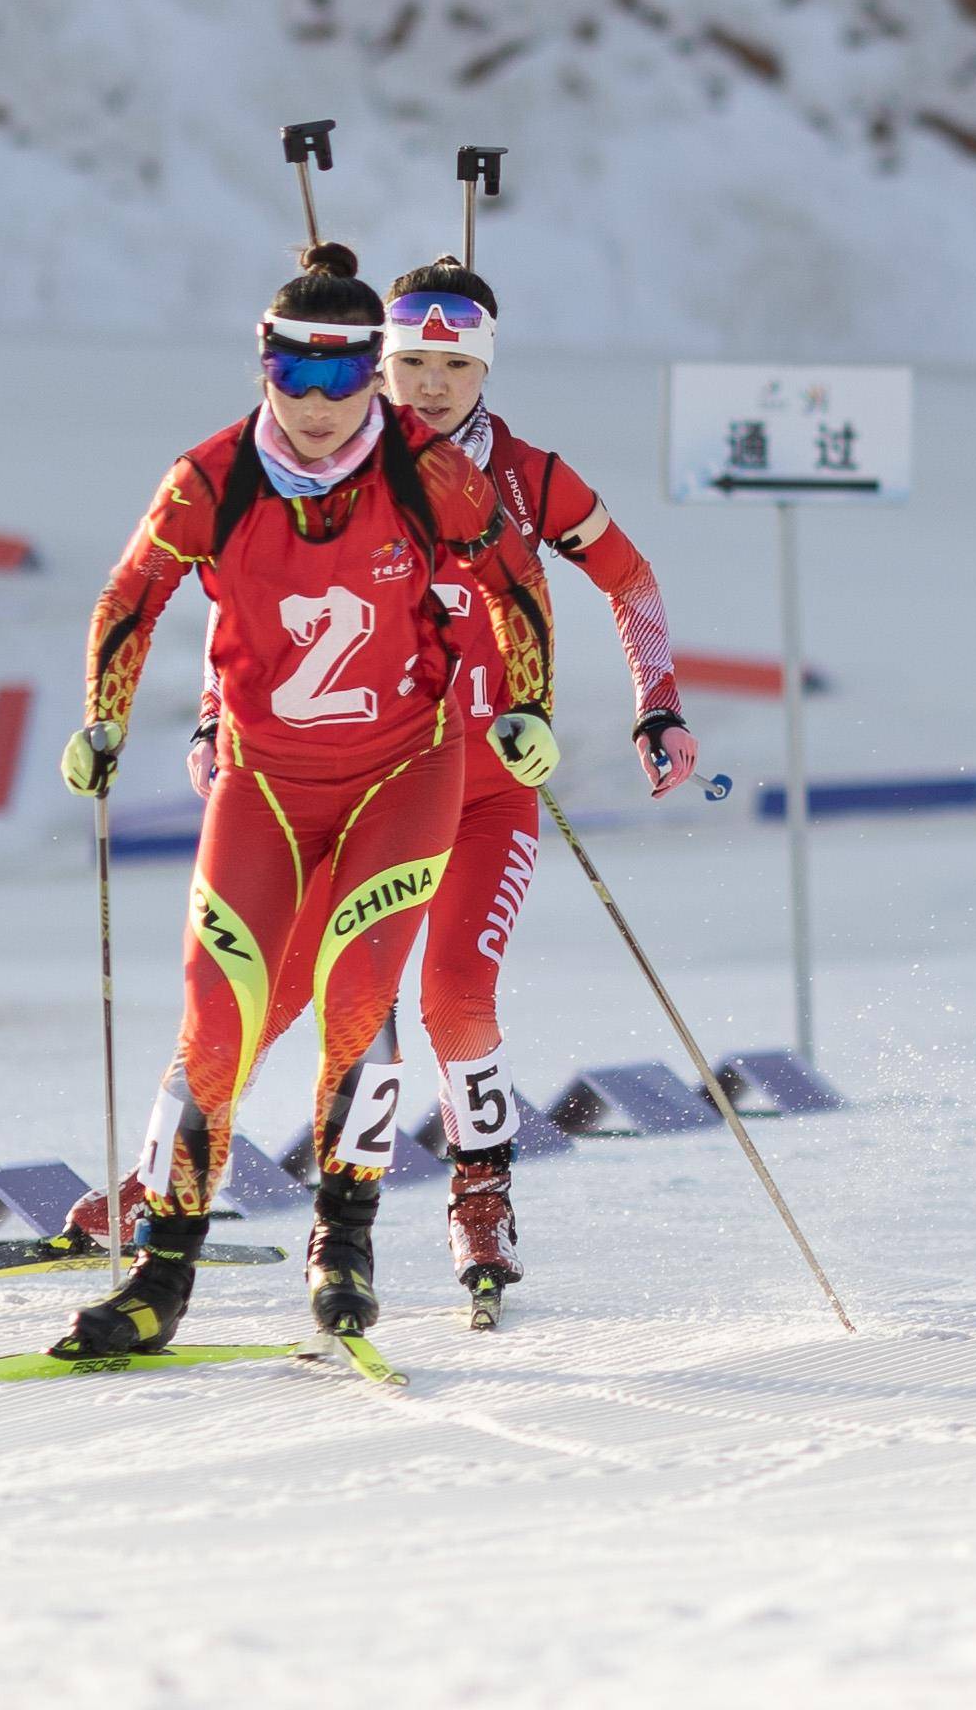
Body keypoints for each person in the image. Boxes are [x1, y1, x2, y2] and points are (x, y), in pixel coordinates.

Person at [51, 245, 561, 1356]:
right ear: (262, 366)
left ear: (378, 373)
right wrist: (103, 716)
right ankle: (162, 1274)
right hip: (266, 785)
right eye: (295, 371)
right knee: (216, 1008)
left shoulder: (429, 469)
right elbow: (130, 591)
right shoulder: (212, 474)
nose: (319, 402)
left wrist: (528, 701)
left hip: (403, 775)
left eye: (345, 375)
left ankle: (347, 1241)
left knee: (358, 996)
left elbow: (516, 576)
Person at [313, 257, 698, 1310]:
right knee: (356, 1004)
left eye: (452, 363)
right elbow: (246, 594)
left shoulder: (530, 477)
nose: (429, 384)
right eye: (409, 362)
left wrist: (653, 699)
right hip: (373, 785)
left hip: (489, 788)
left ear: (483, 367)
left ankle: (481, 1192)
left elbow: (630, 576)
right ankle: (335, 1220)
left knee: (456, 1000)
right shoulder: (327, 463)